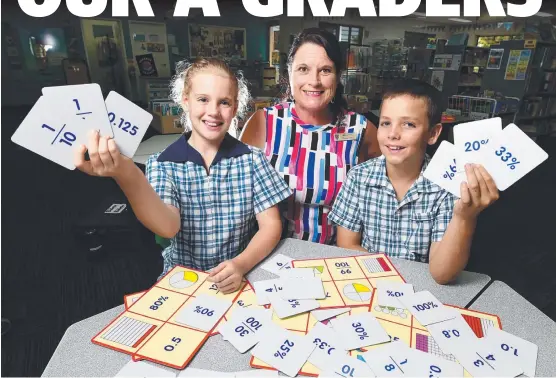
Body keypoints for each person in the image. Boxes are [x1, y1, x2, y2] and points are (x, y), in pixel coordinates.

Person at [74, 58, 292, 293]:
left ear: (236, 107)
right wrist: (127, 174)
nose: (213, 112)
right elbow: (167, 228)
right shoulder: (163, 163)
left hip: (241, 275)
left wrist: (241, 264)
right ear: (185, 101)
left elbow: (271, 225)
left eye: (224, 102)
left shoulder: (252, 159)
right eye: (203, 99)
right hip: (183, 281)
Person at [329, 79, 499, 284]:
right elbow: (347, 244)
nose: (393, 134)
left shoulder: (447, 187)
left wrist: (464, 218)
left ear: (433, 133)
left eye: (408, 124)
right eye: (385, 123)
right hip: (369, 280)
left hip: (421, 287)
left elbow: (442, 274)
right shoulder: (358, 177)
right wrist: (388, 281)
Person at [240, 28, 381, 245]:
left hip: (337, 256)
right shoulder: (263, 123)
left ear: (338, 75)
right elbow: (237, 193)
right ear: (289, 72)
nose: (314, 81)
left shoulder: (360, 129)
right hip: (270, 255)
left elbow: (386, 189)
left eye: (325, 70)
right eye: (303, 69)